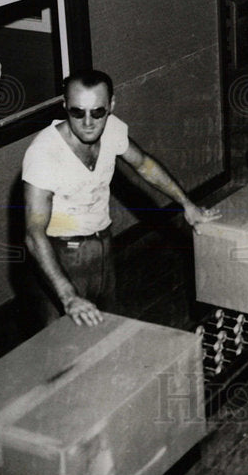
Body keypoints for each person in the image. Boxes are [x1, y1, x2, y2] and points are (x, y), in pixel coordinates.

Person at [22, 69, 218, 327]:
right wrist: (68, 296)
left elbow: (145, 165)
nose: (88, 122)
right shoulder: (44, 154)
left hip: (102, 246)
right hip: (59, 255)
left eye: (98, 112)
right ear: (64, 106)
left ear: (112, 105)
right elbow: (34, 233)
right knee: (64, 350)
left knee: (109, 332)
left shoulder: (113, 130)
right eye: (77, 112)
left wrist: (187, 205)